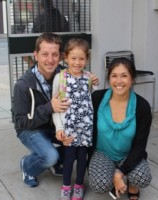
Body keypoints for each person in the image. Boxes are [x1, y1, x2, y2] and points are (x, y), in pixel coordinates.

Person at [13, 32, 99, 188]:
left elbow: (81, 97)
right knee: (50, 156)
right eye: (45, 54)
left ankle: (53, 160)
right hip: (31, 128)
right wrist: (48, 108)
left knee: (77, 144)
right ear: (36, 55)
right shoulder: (23, 85)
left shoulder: (65, 75)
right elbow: (20, 123)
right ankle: (28, 166)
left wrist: (91, 81)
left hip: (55, 125)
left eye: (54, 54)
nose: (50, 59)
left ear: (61, 56)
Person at [88, 57, 152, 200]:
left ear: (132, 79)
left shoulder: (142, 106)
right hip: (102, 152)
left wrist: (120, 173)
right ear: (109, 78)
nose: (118, 81)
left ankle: (131, 182)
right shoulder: (97, 98)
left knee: (143, 178)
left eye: (124, 76)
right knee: (99, 185)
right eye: (114, 76)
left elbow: (140, 146)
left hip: (128, 153)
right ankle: (114, 177)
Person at [52, 38, 96, 200]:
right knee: (69, 159)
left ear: (87, 59)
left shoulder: (89, 78)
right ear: (66, 57)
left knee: (82, 159)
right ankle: (66, 186)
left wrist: (96, 82)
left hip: (85, 127)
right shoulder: (60, 77)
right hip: (69, 127)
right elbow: (55, 107)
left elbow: (94, 98)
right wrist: (59, 128)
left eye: (81, 59)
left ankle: (79, 185)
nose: (77, 62)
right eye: (73, 58)